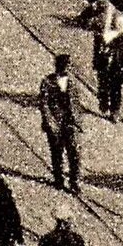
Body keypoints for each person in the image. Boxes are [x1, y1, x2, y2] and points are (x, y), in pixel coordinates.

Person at [39, 49, 85, 192]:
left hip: (71, 122)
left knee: (75, 152)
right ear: (59, 66)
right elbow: (44, 104)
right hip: (55, 122)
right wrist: (49, 122)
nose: (68, 69)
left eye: (69, 67)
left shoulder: (73, 82)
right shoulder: (47, 82)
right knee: (57, 152)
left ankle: (74, 181)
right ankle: (58, 179)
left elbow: (77, 103)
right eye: (66, 66)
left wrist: (78, 121)